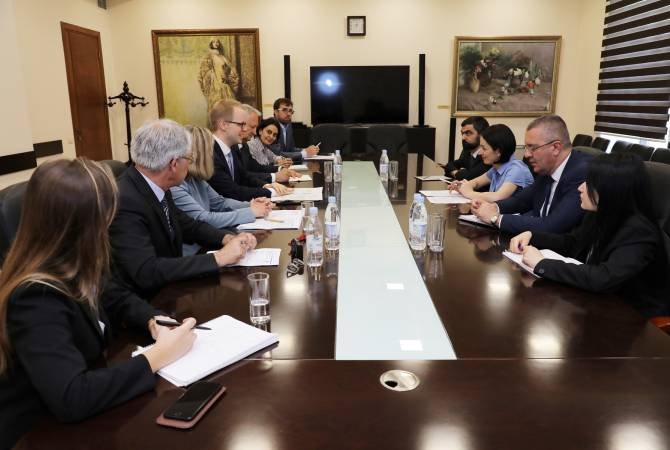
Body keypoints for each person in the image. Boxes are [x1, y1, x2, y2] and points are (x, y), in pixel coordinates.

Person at [0, 159, 197, 449]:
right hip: (39, 434)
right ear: (81, 224)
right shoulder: (35, 297)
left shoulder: (73, 263)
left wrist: (153, 320)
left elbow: (116, 296)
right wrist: (157, 356)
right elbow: (72, 396)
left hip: (87, 414)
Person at [508, 153, 670, 318]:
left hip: (634, 318)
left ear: (611, 189)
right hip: (599, 301)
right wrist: (532, 236)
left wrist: (542, 264)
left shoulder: (639, 232)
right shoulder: (601, 213)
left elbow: (603, 278)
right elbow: (573, 243)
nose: (580, 187)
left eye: (589, 183)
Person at [110, 118, 256, 299]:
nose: (190, 164)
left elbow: (188, 225)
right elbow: (146, 270)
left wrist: (227, 238)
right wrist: (218, 258)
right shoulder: (125, 200)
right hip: (147, 302)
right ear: (173, 164)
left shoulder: (156, 184)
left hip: (170, 288)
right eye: (189, 159)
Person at [471, 115, 591, 234]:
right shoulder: (546, 168)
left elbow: (552, 225)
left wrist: (496, 219)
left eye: (532, 148)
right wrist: (494, 207)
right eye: (526, 148)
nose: (526, 155)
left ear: (555, 147)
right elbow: (522, 201)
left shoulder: (582, 173)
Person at [170, 125, 273, 255]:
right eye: (210, 150)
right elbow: (204, 218)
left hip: (207, 243)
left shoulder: (197, 179)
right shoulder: (176, 185)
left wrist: (251, 205)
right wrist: (250, 212)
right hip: (194, 253)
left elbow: (220, 203)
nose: (213, 155)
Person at [208, 100, 292, 201]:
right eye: (241, 124)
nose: (244, 129)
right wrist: (272, 192)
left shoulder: (232, 148)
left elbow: (244, 176)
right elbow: (232, 191)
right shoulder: (210, 153)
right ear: (223, 125)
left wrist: (267, 185)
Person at [452, 124, 533, 202]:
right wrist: (462, 186)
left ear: (498, 151)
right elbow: (476, 183)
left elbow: (498, 197)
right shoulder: (496, 168)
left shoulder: (516, 169)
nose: (480, 153)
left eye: (484, 148)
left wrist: (469, 193)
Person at [234, 104, 300, 183]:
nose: (271, 137)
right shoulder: (251, 145)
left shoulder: (262, 147)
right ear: (260, 131)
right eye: (269, 132)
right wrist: (274, 177)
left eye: (274, 135)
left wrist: (282, 165)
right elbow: (250, 173)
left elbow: (272, 158)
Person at [198, 39, 240, 111]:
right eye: (214, 42)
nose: (216, 43)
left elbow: (231, 69)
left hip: (224, 83)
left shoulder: (223, 57)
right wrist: (212, 75)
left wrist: (227, 77)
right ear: (211, 44)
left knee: (228, 107)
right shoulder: (209, 57)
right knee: (216, 107)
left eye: (217, 42)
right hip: (215, 84)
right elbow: (204, 71)